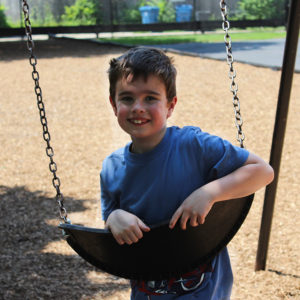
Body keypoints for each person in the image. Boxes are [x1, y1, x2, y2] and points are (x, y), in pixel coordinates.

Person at [100, 47, 274, 300]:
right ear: (114, 105)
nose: (138, 107)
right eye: (127, 98)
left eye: (150, 98)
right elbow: (109, 217)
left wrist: (209, 193)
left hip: (202, 290)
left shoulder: (194, 146)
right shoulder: (111, 168)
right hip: (148, 290)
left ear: (170, 105)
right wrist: (114, 217)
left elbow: (262, 172)